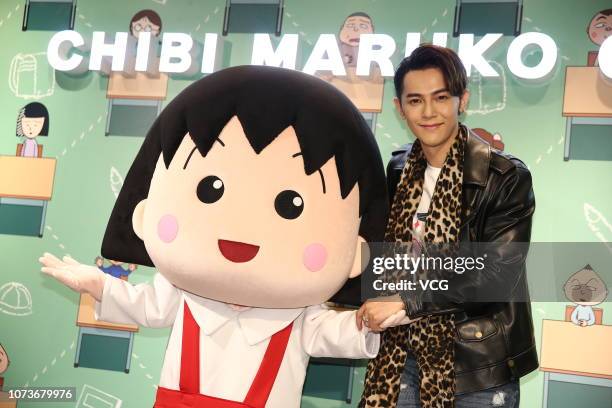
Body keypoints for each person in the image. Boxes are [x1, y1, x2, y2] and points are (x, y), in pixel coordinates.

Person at [40, 66, 398, 408]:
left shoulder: (301, 315)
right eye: (211, 189)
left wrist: (377, 315)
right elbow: (146, 306)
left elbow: (344, 332)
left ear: (355, 252)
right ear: (145, 213)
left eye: (291, 204)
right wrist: (98, 285)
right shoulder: (185, 292)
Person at [358, 45, 538, 407]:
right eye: (415, 100)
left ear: (462, 99)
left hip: (477, 363)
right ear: (399, 108)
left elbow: (496, 275)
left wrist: (407, 302)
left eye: (440, 97)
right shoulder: (398, 170)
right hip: (401, 355)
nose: (428, 112)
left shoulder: (503, 176)